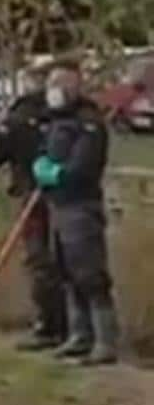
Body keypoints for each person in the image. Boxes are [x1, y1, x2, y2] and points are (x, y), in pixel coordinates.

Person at [31, 59, 117, 366]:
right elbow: (44, 150)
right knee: (66, 271)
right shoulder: (54, 120)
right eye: (52, 83)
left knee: (90, 274)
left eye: (61, 83)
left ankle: (105, 340)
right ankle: (79, 335)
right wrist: (40, 164)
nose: (54, 90)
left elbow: (85, 165)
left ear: (75, 85)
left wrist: (60, 174)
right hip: (58, 204)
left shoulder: (88, 121)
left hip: (81, 205)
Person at [0, 67, 65, 351]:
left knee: (38, 259)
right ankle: (69, 324)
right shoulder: (60, 115)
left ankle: (47, 325)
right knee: (62, 258)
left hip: (31, 192)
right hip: (63, 193)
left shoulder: (18, 118)